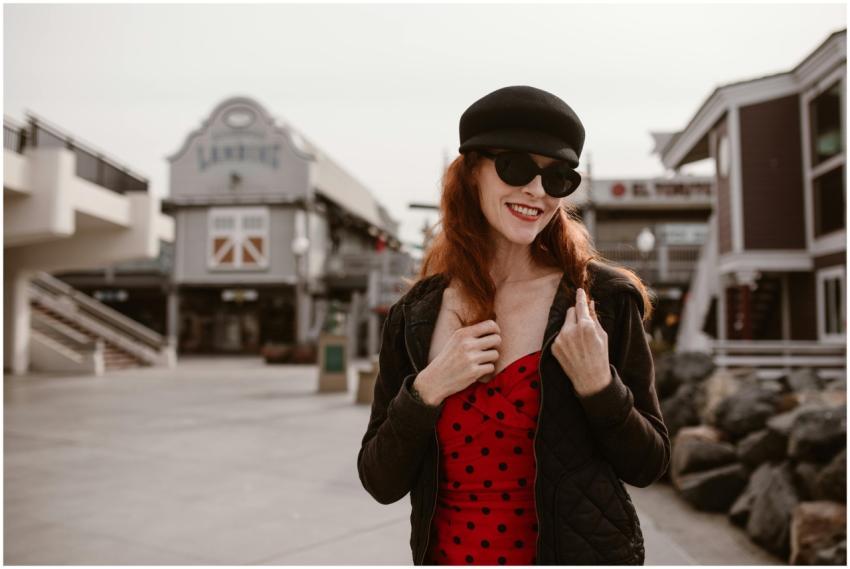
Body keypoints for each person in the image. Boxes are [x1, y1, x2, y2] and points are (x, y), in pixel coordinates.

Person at [357, 85, 670, 566]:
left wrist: (598, 386)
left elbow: (648, 465)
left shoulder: (601, 300)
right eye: (517, 168)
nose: (538, 191)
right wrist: (427, 389)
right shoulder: (414, 315)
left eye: (558, 177)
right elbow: (381, 481)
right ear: (472, 173)